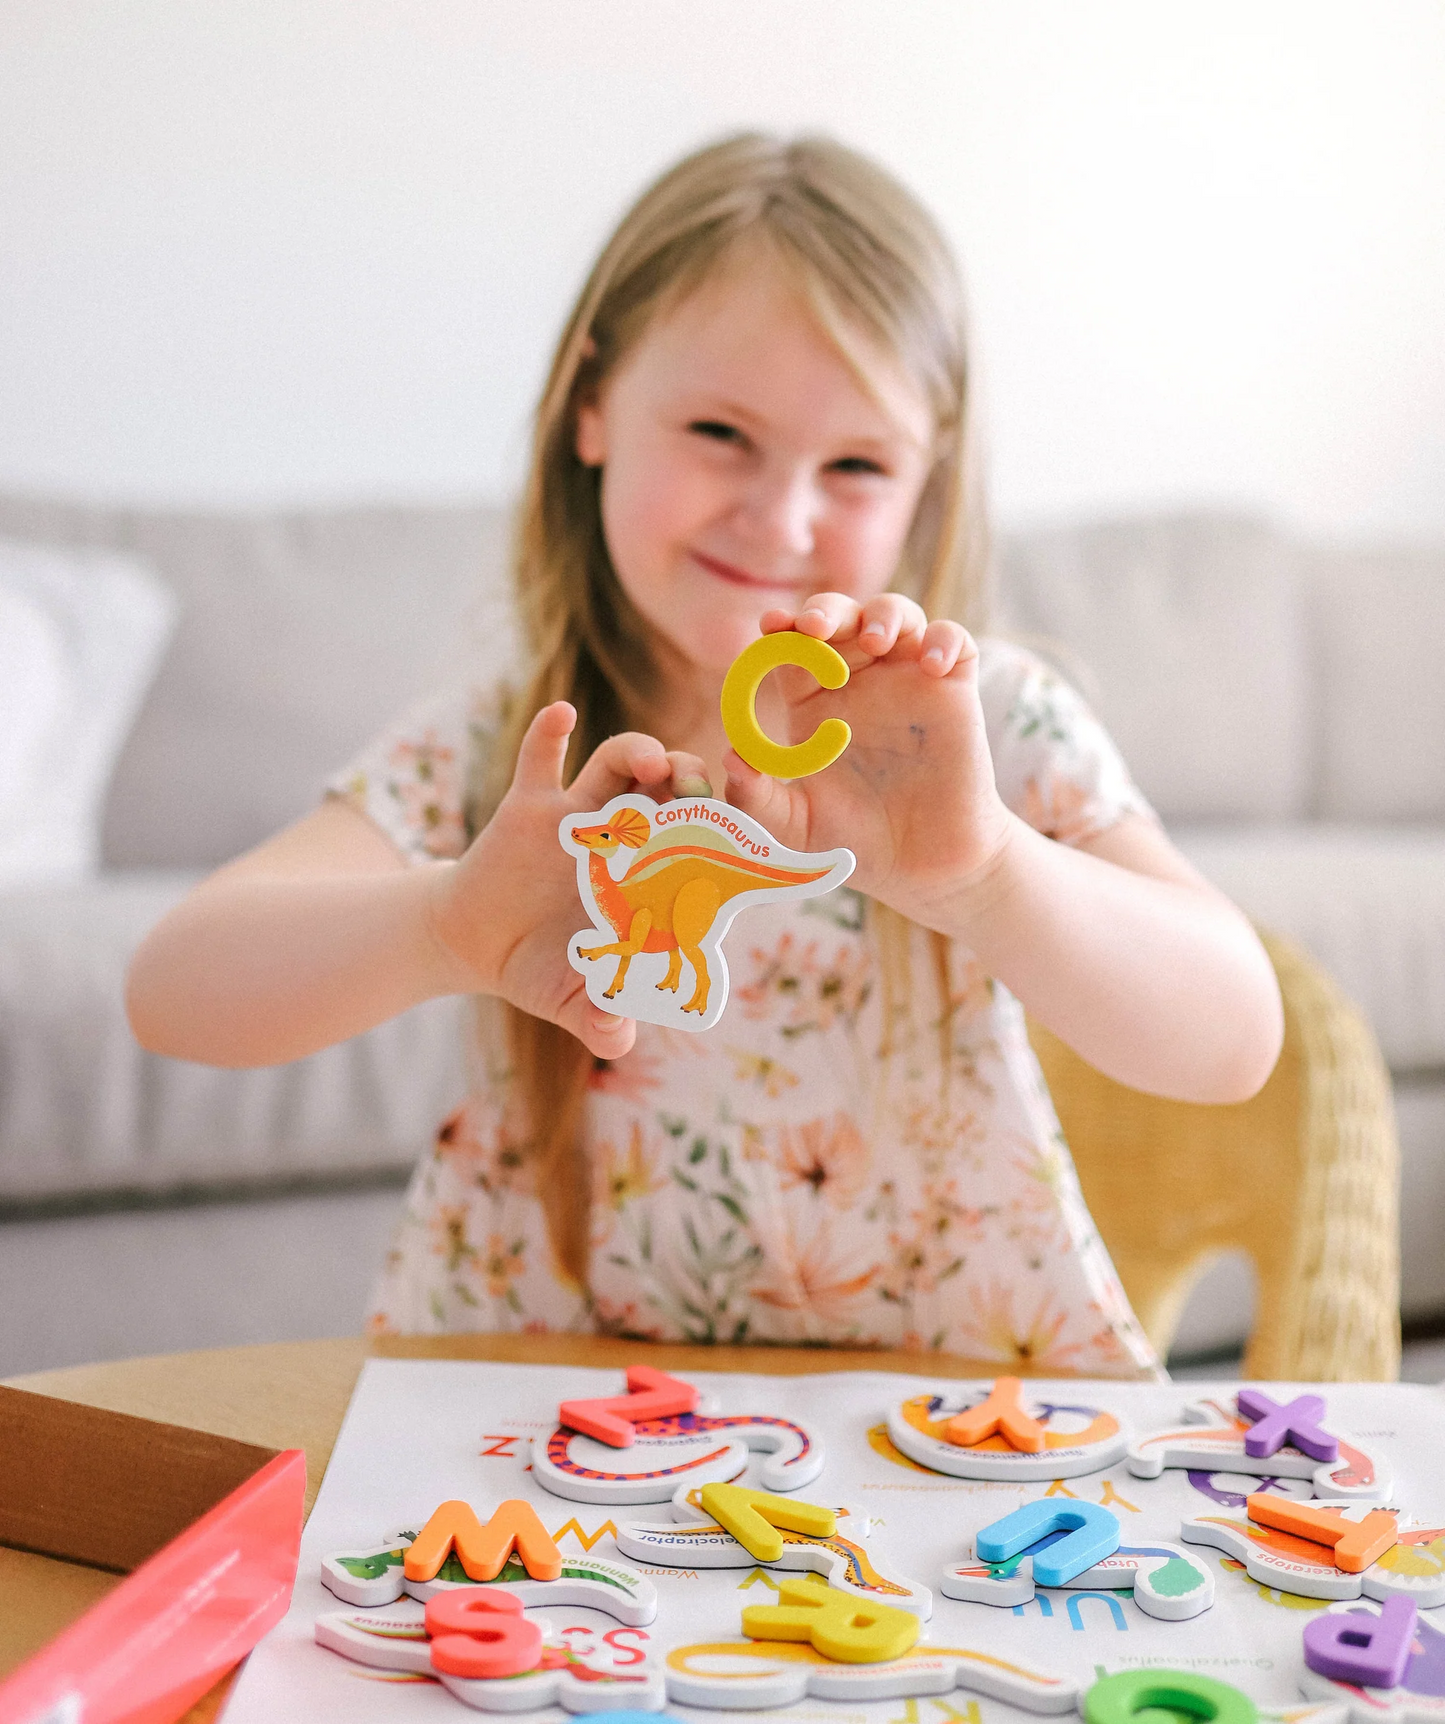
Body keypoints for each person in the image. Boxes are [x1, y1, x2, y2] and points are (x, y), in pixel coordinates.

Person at [127, 134, 1282, 1373]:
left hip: (935, 1438)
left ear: (925, 480)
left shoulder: (981, 727)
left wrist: (983, 874)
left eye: (853, 464)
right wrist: (443, 928)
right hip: (548, 1435)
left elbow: (1230, 1040)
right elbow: (174, 992)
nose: (780, 518)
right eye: (721, 432)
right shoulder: (501, 754)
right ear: (591, 404)